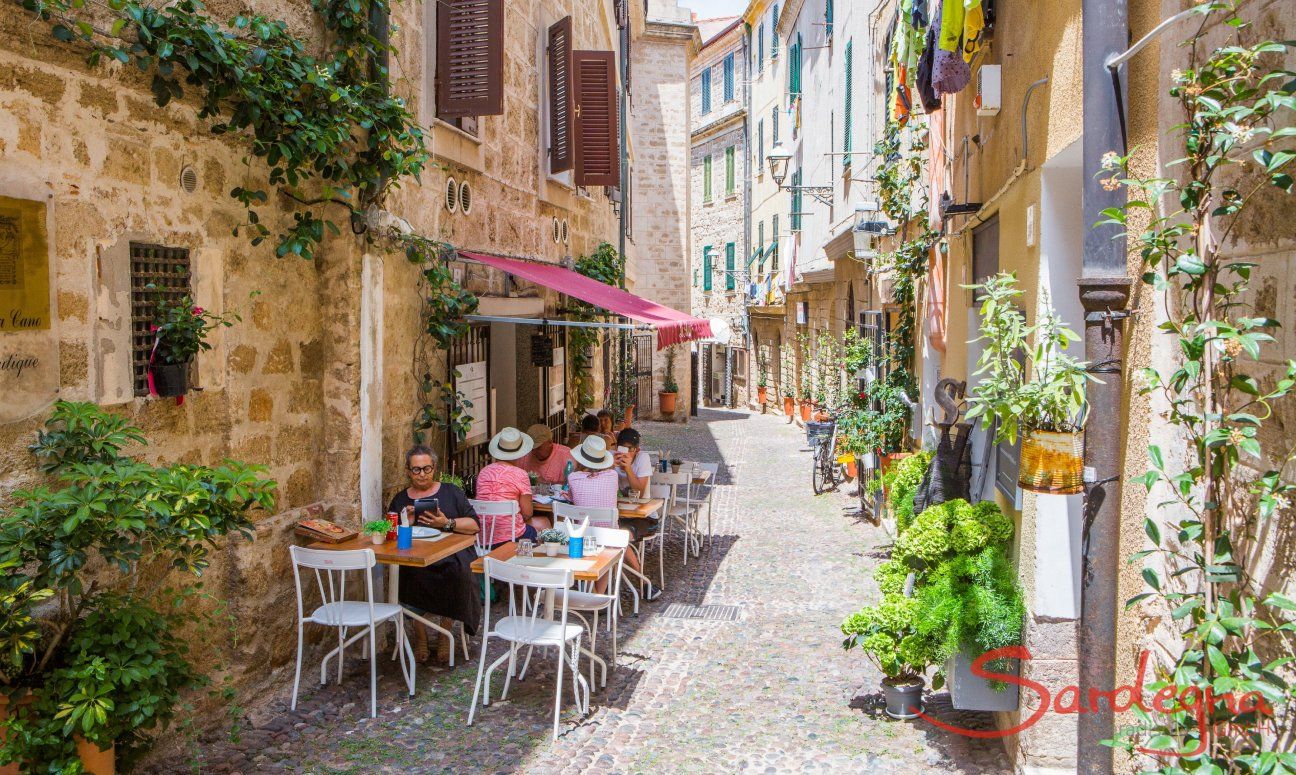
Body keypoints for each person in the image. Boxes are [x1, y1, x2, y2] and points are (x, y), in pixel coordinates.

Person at [387, 445, 481, 662]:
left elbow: (474, 525)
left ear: (434, 468)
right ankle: (420, 637)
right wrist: (405, 523)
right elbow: (389, 534)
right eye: (417, 470)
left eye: (427, 469)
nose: (422, 474)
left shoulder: (451, 492)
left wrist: (446, 522)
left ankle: (444, 632)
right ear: (408, 471)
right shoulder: (401, 499)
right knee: (411, 574)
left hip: (452, 554)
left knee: (457, 573)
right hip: (415, 557)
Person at [567, 436, 662, 601]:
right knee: (618, 540)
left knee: (617, 540)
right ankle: (640, 582)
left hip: (581, 538)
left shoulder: (573, 479)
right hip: (608, 538)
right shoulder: (612, 476)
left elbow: (571, 496)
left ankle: (598, 592)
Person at [475, 426, 547, 545]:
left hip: (483, 539)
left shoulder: (483, 472)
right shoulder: (520, 474)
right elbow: (528, 513)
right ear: (520, 453)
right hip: (512, 538)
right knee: (544, 523)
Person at [614, 427, 654, 498]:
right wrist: (609, 467)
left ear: (637, 450)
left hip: (640, 504)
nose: (625, 453)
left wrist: (628, 469)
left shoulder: (642, 458)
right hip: (618, 505)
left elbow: (640, 494)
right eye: (622, 448)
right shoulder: (611, 458)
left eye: (630, 448)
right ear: (616, 447)